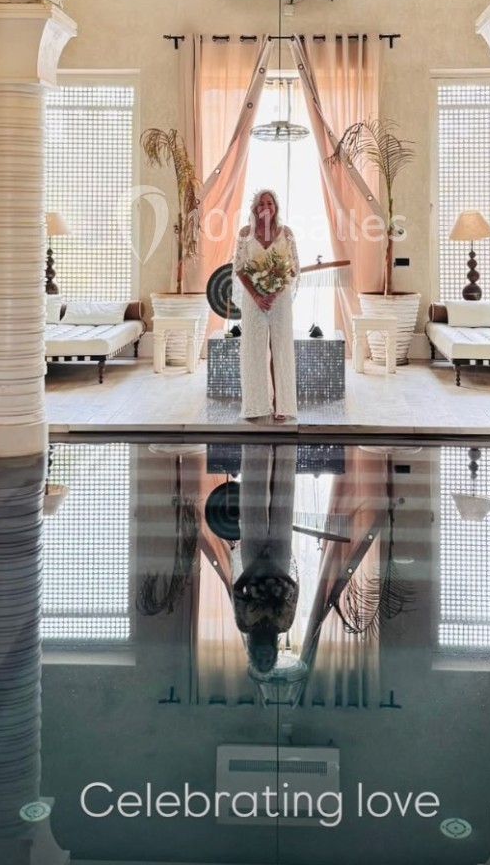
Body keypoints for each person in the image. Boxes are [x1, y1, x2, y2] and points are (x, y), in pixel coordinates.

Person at [232, 188, 300, 422]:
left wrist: (275, 290)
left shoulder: (286, 233)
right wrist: (258, 295)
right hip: (253, 301)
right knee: (254, 351)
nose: (265, 207)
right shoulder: (245, 233)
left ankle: (282, 404)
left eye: (269, 203)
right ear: (255, 209)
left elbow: (292, 268)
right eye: (261, 204)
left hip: (279, 301)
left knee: (280, 349)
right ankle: (256, 405)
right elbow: (239, 267)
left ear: (275, 207)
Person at [233, 444, 299, 675]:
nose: (263, 655)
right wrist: (272, 565)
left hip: (252, 563)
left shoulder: (244, 624)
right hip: (280, 563)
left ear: (252, 654)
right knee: (283, 499)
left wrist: (257, 565)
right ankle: (286, 448)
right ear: (272, 652)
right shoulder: (284, 625)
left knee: (252, 500)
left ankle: (255, 447)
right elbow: (294, 588)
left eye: (258, 658)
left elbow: (237, 590)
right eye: (267, 658)